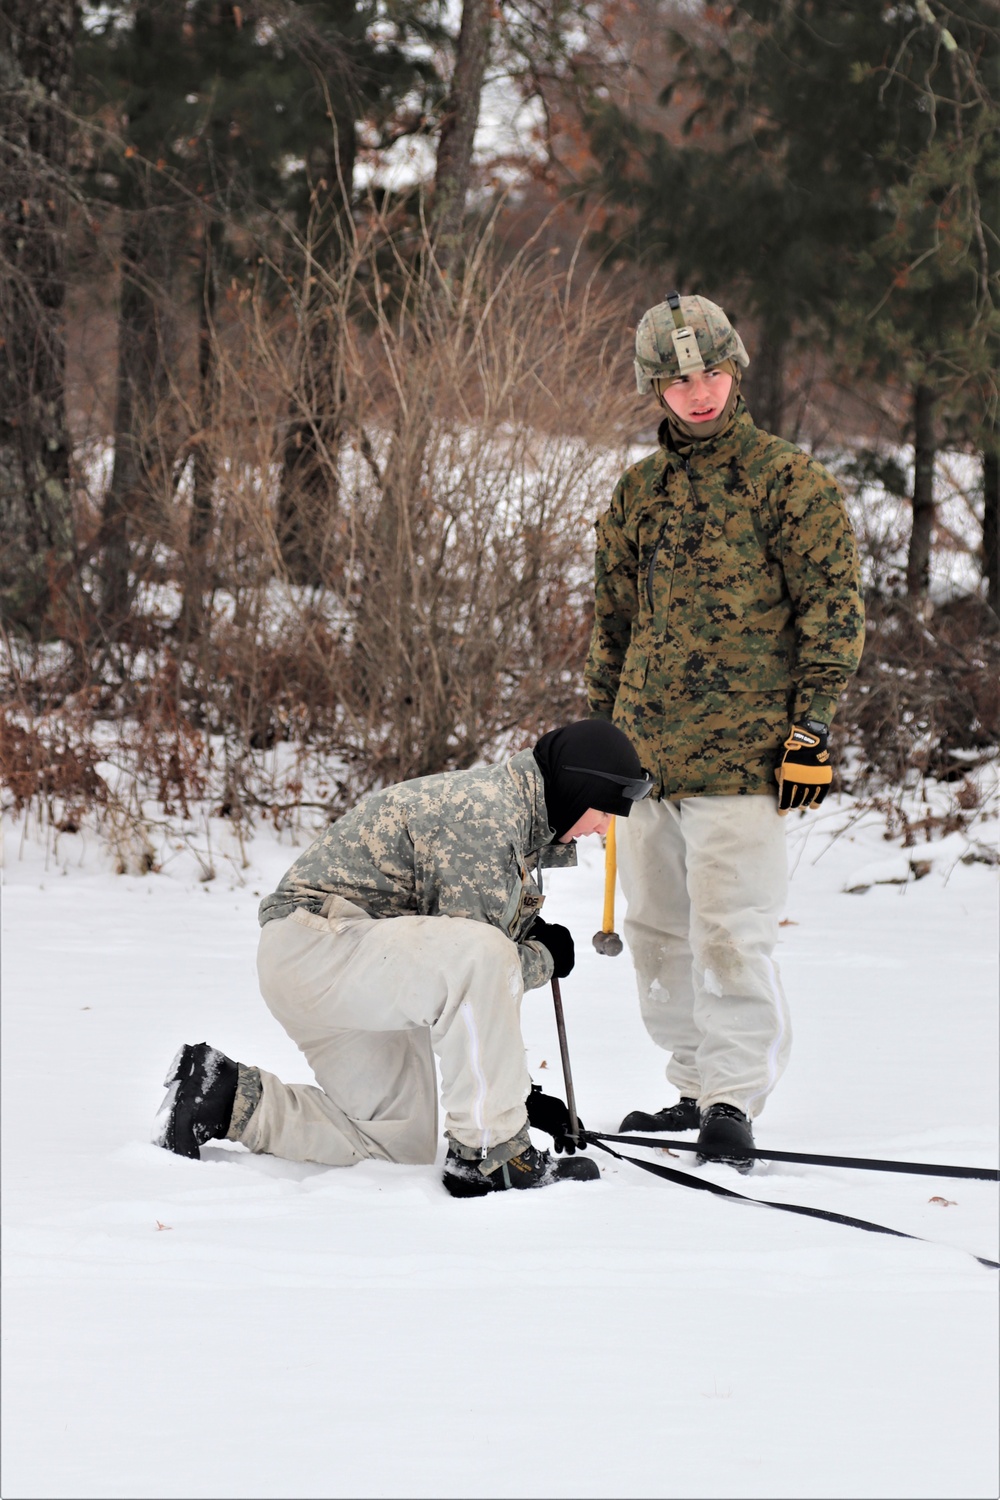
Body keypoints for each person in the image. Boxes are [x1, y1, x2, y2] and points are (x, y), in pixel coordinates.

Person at [586, 292, 865, 1170]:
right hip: (646, 763)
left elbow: (833, 613)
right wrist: (596, 752)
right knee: (659, 935)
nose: (697, 392)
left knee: (730, 936)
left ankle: (734, 1101)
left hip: (746, 763)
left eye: (709, 372)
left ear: (734, 369)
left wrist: (811, 729)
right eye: (677, 380)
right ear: (653, 389)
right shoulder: (638, 494)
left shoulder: (790, 483)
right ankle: (693, 1086)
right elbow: (611, 625)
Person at [153, 720, 653, 1197]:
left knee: (396, 1147)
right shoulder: (484, 814)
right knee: (484, 955)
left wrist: (521, 1094)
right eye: (604, 812)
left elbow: (471, 989)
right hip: (315, 948)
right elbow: (480, 968)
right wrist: (541, 959)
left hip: (351, 965)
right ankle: (490, 1155)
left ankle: (223, 1095)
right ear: (579, 789)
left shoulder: (515, 824)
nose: (604, 830)